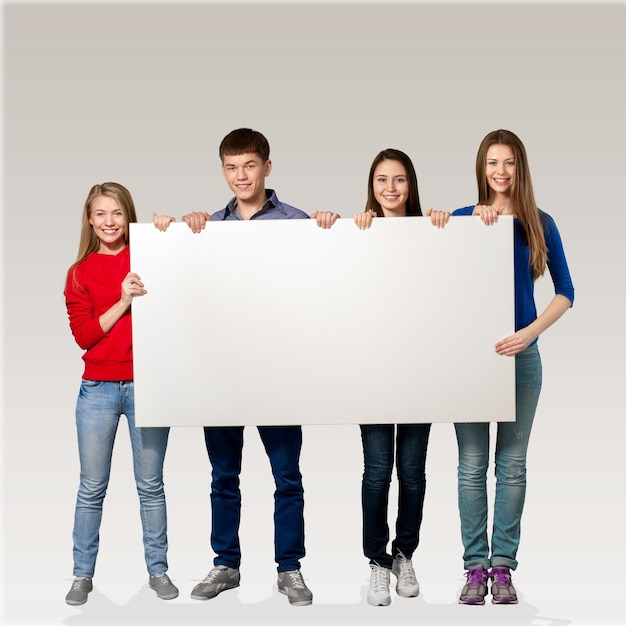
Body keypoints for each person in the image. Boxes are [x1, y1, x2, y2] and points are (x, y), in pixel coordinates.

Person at [154, 128, 339, 606]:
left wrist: (331, 229)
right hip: (221, 372)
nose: (241, 175)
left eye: (250, 166)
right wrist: (171, 231)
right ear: (223, 172)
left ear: (267, 168)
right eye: (232, 168)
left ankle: (290, 568)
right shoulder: (207, 226)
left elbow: (328, 282)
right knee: (223, 476)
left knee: (287, 477)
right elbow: (182, 281)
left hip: (279, 371)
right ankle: (226, 565)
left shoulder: (298, 222)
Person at [444, 130, 575, 605]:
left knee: (512, 467)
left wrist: (531, 332)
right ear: (482, 168)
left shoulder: (540, 222)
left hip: (521, 357)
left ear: (521, 168)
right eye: (492, 163)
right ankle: (474, 568)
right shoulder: (465, 219)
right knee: (471, 467)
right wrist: (461, 224)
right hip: (471, 360)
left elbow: (567, 292)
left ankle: (504, 569)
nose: (500, 171)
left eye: (509, 163)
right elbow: (429, 269)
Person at [64, 182, 178, 606]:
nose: (109, 222)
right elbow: (85, 336)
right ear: (90, 220)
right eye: (101, 214)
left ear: (127, 217)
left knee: (150, 485)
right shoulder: (79, 273)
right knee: (91, 487)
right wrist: (124, 299)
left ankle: (158, 570)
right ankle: (81, 575)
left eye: (117, 214)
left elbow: (183, 277)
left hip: (149, 386)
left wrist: (166, 230)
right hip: (97, 390)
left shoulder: (147, 255)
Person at [352, 149, 446, 607]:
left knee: (412, 472)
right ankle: (377, 562)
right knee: (376, 473)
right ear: (371, 186)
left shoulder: (431, 230)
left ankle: (404, 553)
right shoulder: (357, 233)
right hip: (371, 372)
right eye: (381, 180)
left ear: (411, 185)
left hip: (419, 370)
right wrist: (336, 224)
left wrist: (448, 226)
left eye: (400, 180)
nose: (390, 189)